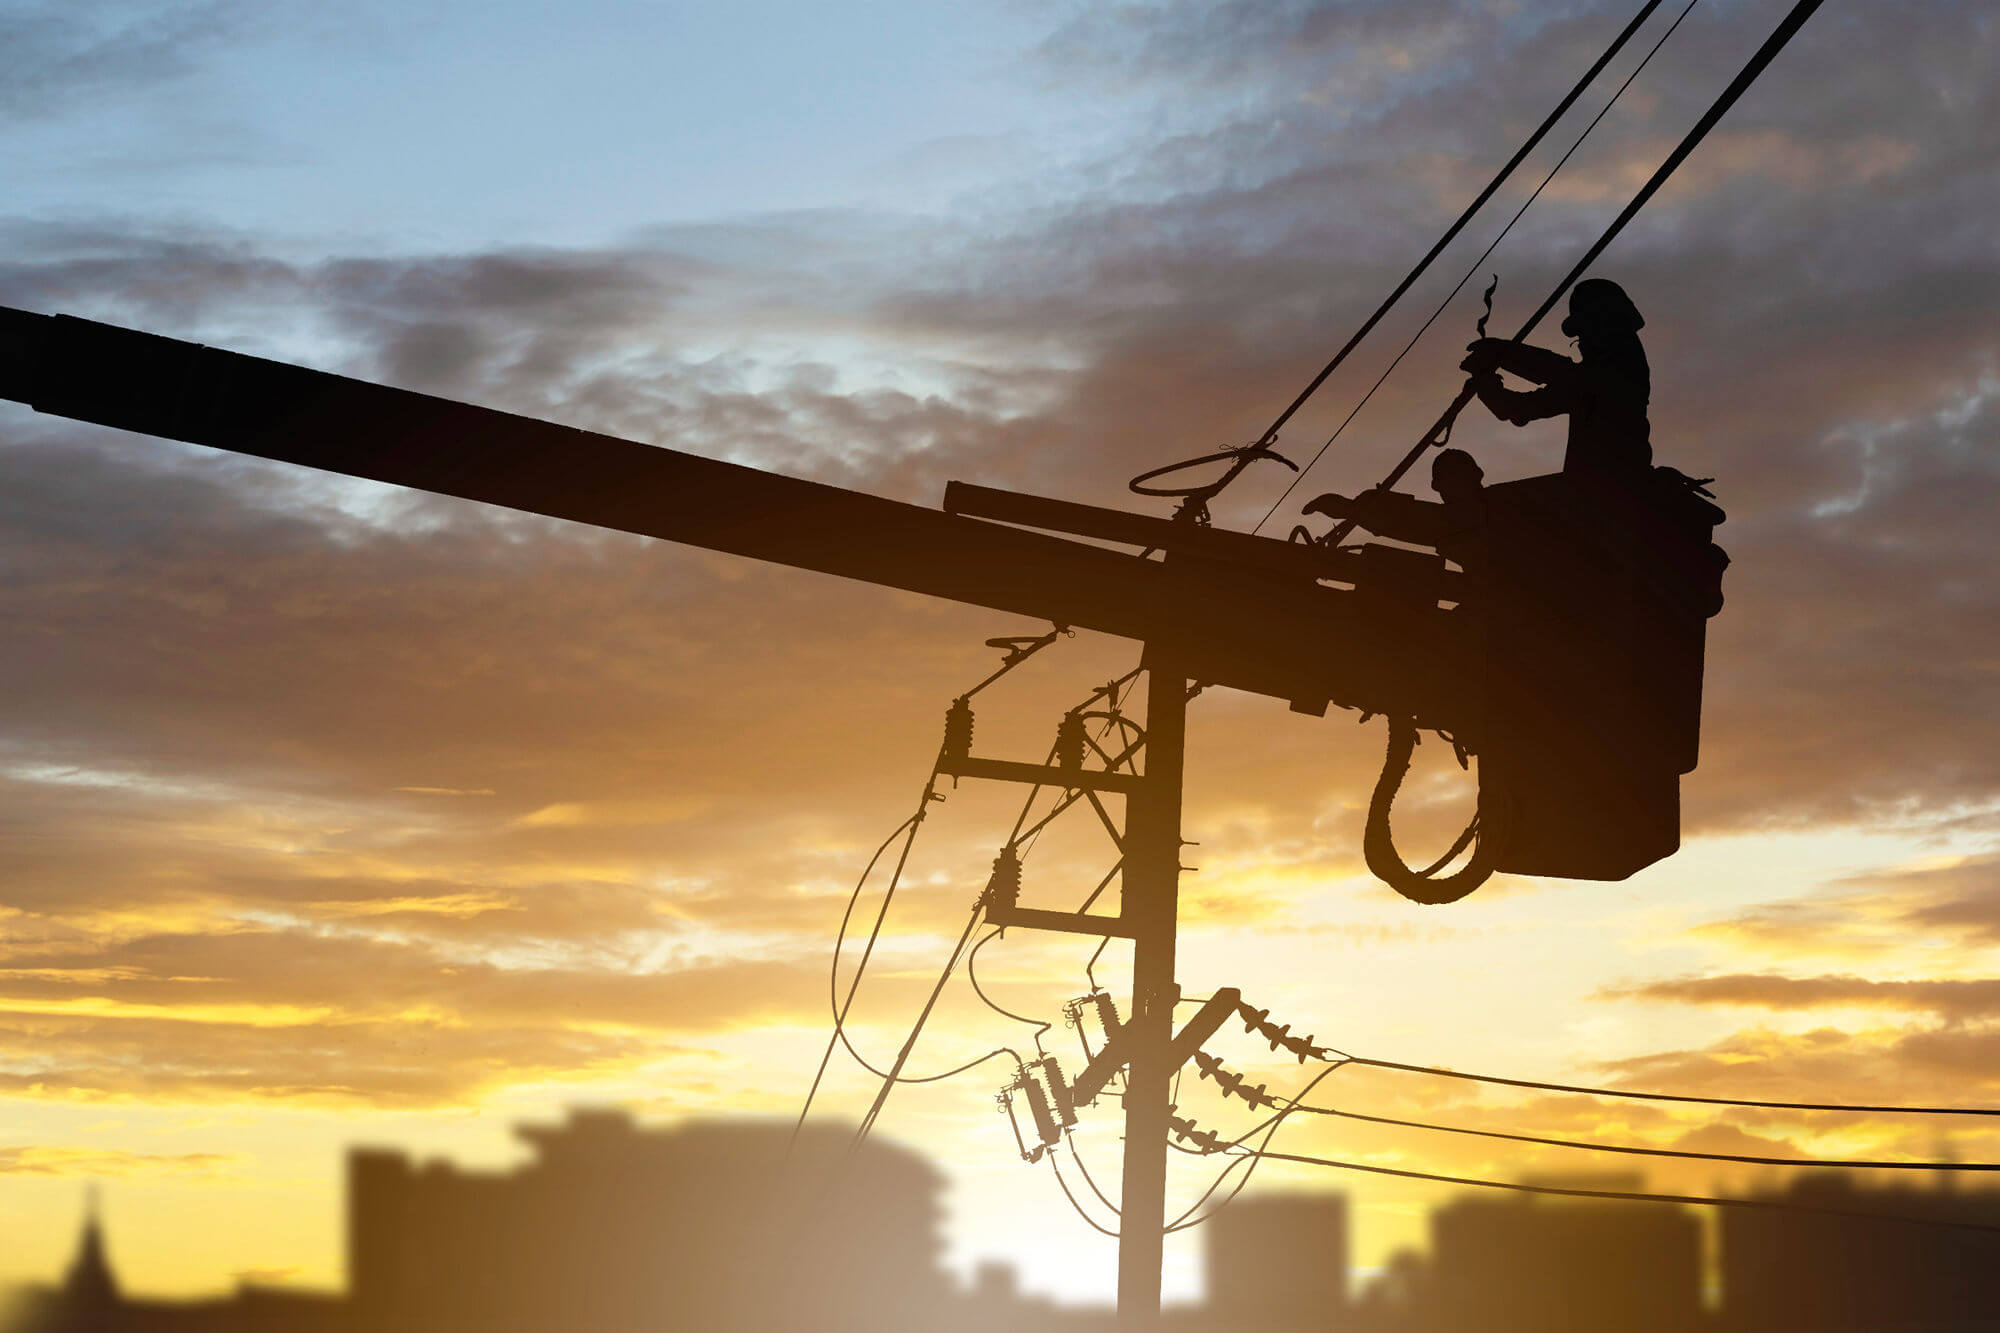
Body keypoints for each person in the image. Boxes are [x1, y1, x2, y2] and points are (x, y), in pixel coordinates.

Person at [1459, 277, 1652, 481]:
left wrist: (1500, 352)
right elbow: (1518, 408)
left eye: (1585, 332)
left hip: (1620, 488)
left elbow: (1561, 373)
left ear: (1605, 324)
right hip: (1590, 492)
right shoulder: (1584, 388)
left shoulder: (1621, 369)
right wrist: (1485, 381)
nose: (1581, 342)